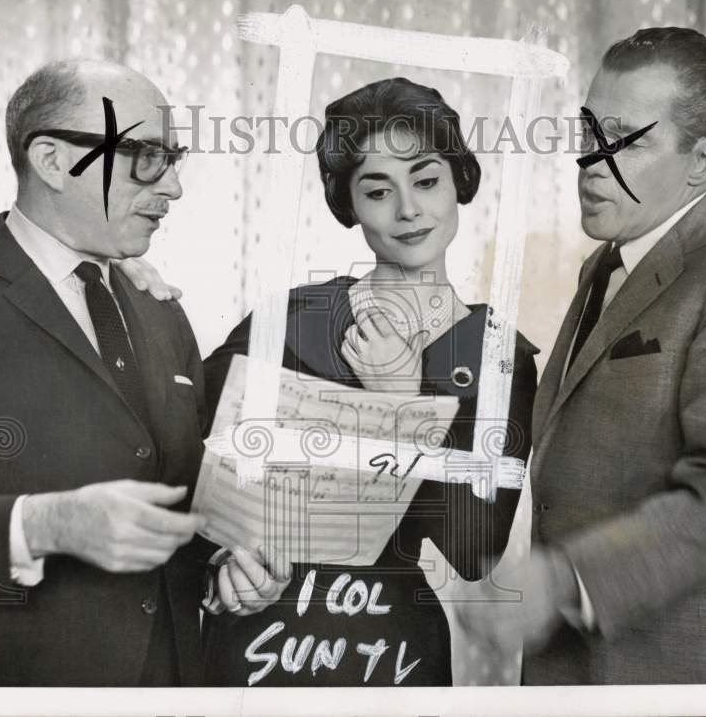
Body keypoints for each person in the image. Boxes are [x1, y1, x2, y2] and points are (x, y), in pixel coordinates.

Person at [0, 59, 289, 686]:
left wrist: (229, 568)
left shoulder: (164, 315)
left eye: (175, 159)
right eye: (144, 156)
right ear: (52, 160)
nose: (173, 189)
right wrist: (45, 524)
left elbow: (175, 499)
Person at [457, 27, 706, 684]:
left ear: (702, 163)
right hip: (573, 670)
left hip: (671, 674)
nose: (593, 162)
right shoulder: (603, 266)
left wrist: (564, 581)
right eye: (590, 132)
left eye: (628, 140)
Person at [196, 78, 540, 686]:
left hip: (393, 651)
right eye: (378, 191)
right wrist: (223, 570)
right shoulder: (292, 320)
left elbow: (471, 545)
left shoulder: (498, 356)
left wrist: (403, 405)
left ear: (458, 181)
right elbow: (184, 467)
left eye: (426, 181)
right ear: (348, 204)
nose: (408, 210)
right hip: (261, 637)